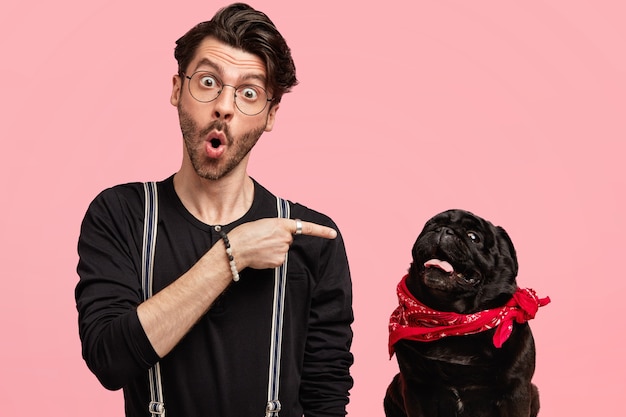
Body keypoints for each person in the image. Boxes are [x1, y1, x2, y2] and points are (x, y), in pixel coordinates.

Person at [75, 3, 354, 416]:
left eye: (248, 93)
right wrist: (232, 255)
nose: (224, 106)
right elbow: (109, 359)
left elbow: (325, 396)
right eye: (208, 81)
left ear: (271, 114)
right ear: (176, 89)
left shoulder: (312, 239)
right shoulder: (121, 215)